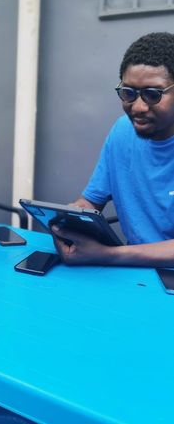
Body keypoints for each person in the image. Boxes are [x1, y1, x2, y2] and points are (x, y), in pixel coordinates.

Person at [51, 32, 174, 268]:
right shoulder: (122, 131)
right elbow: (90, 201)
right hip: (134, 274)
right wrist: (69, 220)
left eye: (153, 94)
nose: (138, 107)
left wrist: (107, 254)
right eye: (128, 93)